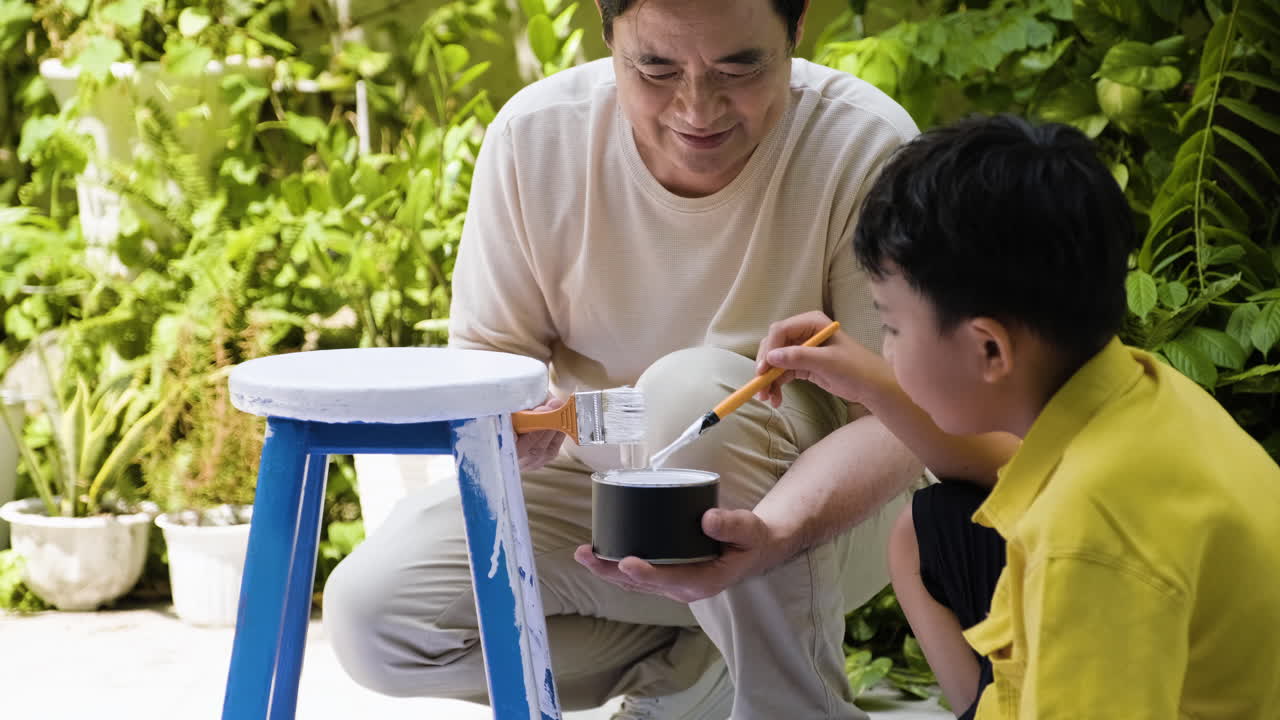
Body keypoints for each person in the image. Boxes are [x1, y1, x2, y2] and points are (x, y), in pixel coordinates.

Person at [323, 1, 925, 718]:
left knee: (686, 396)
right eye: (656, 68)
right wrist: (514, 418)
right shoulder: (534, 140)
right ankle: (698, 669)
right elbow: (487, 374)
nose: (697, 109)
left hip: (817, 508)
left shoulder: (865, 145)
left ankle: (790, 704)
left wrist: (779, 535)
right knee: (378, 621)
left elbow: (905, 417)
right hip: (602, 491)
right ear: (607, 39)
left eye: (739, 67)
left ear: (795, 33)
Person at [757, 114, 1280, 718]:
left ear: (990, 350)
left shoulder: (1087, 533)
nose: (886, 353)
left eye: (891, 328)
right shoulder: (1143, 394)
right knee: (925, 528)